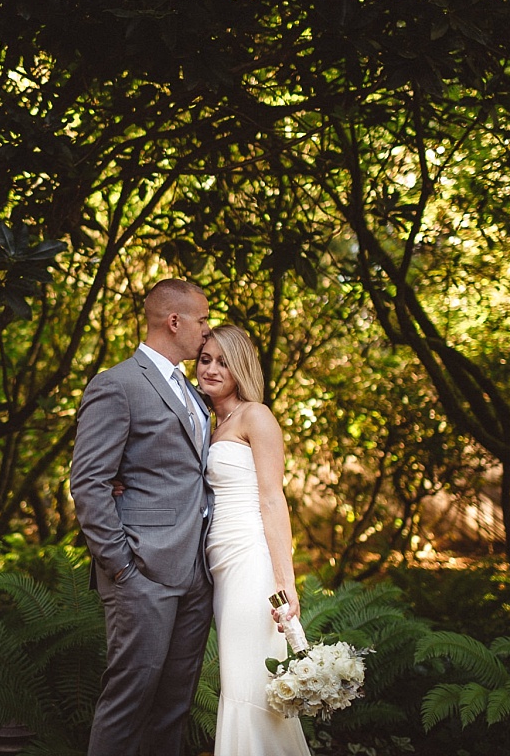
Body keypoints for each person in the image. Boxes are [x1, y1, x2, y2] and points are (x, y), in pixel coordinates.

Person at [70, 278, 215, 756]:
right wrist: (120, 566)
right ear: (174, 321)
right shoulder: (117, 384)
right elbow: (89, 482)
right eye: (201, 319)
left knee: (175, 705)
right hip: (142, 572)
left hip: (196, 572)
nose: (206, 329)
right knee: (129, 701)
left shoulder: (193, 394)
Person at [198, 324, 311, 756]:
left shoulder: (256, 416)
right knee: (239, 678)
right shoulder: (210, 422)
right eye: (205, 359)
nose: (210, 368)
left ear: (240, 366)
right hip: (220, 563)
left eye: (222, 361)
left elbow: (271, 499)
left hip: (250, 560)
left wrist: (285, 582)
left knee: (250, 683)